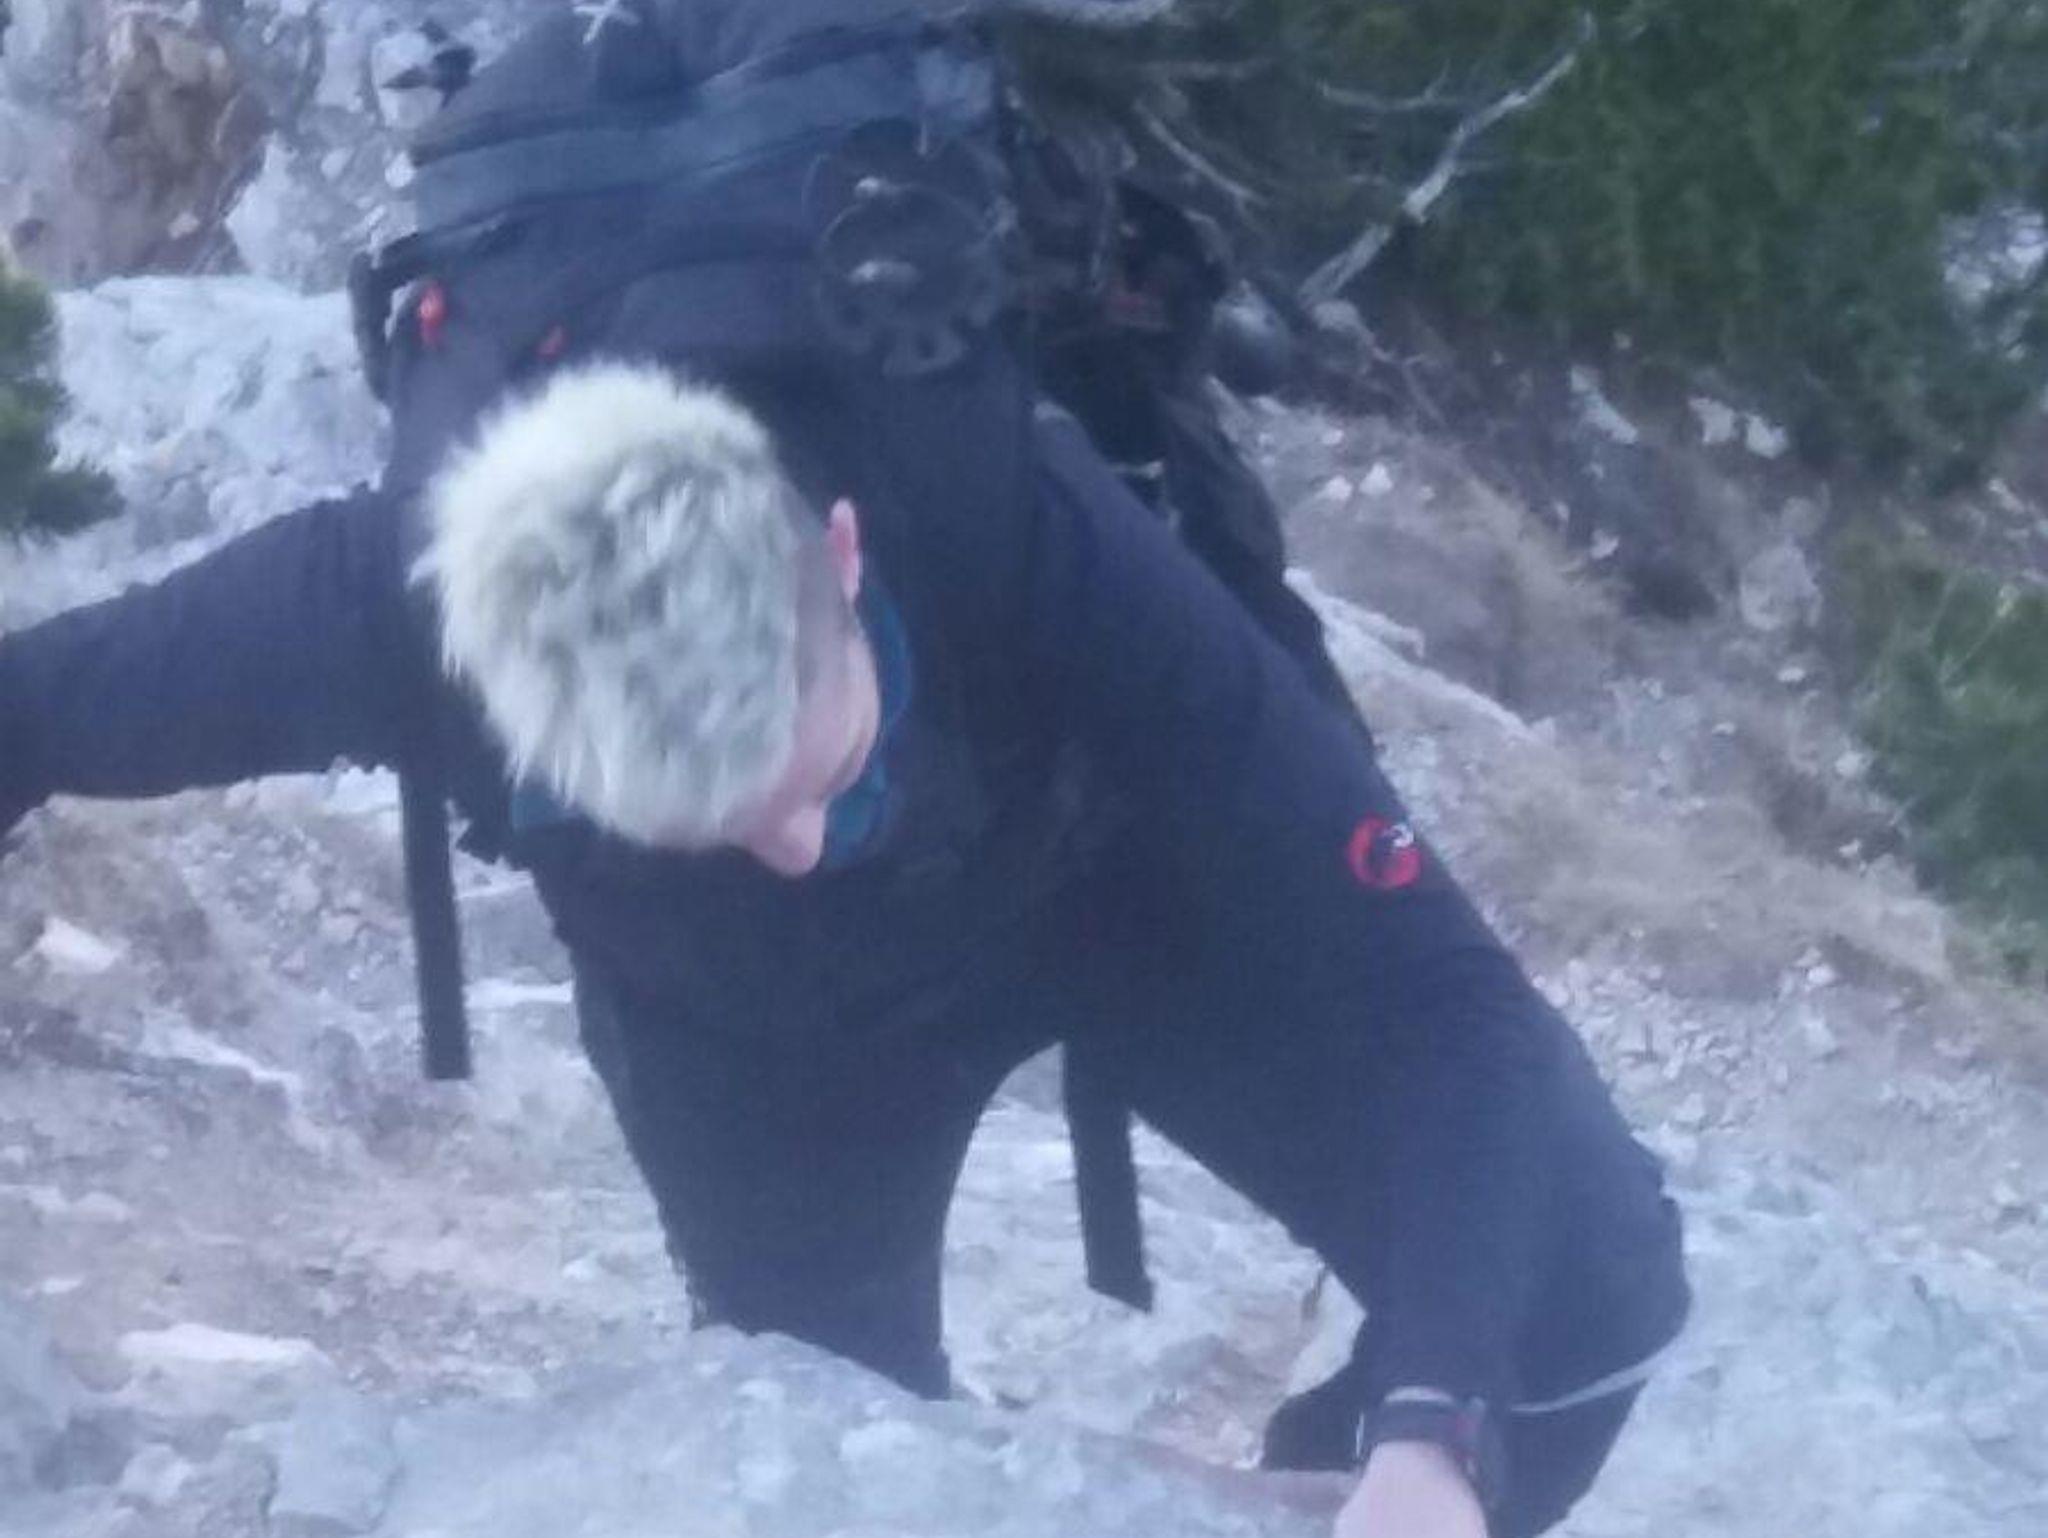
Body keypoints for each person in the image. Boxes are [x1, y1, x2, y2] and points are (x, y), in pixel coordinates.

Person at [0, 6, 1689, 1536]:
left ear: (845, 551)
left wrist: (1429, 1434)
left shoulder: (1015, 521)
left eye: (817, 771)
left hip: (1118, 894)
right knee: (841, 1462)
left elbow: (1448, 1007)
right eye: (719, 823)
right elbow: (35, 707)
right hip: (759, 1036)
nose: (801, 843)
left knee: (1585, 1298)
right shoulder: (389, 608)